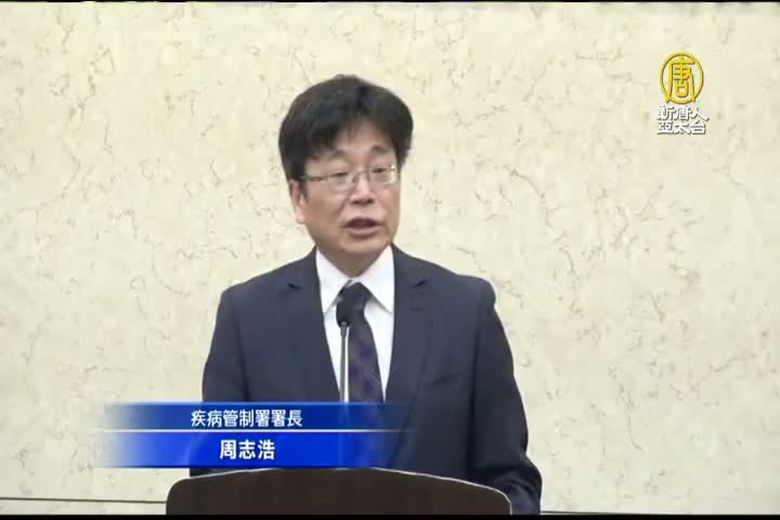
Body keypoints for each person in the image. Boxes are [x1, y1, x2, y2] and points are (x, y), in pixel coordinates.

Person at [196, 74, 543, 514]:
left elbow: (511, 483)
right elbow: (216, 484)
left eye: (381, 171)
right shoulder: (248, 318)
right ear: (298, 197)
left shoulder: (464, 311)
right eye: (340, 175)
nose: (364, 194)